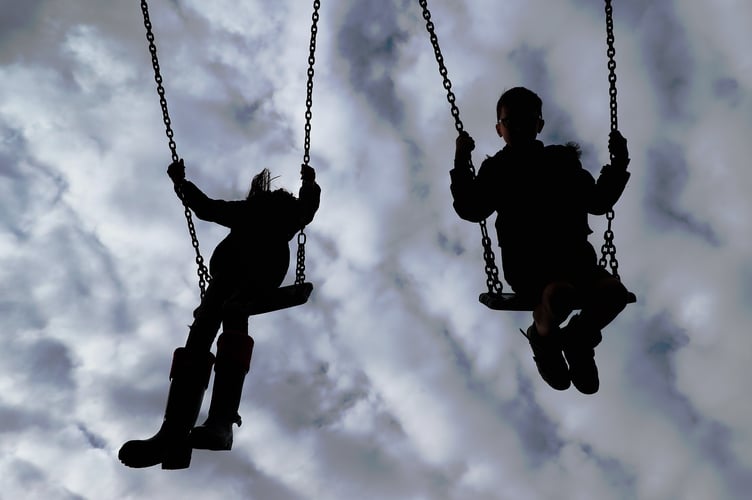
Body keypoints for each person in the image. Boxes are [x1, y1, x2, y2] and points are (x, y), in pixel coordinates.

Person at [119, 160, 321, 469]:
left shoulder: (270, 214)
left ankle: (218, 423)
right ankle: (175, 431)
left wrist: (309, 185)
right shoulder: (264, 212)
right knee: (202, 330)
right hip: (230, 279)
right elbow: (207, 208)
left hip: (256, 278)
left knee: (229, 314)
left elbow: (208, 208)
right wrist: (181, 183)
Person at [450, 86, 631, 394]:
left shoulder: (561, 161)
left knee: (615, 294)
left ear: (539, 124)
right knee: (559, 294)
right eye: (511, 121)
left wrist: (619, 163)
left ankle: (578, 339)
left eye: (527, 119)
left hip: (576, 259)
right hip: (528, 265)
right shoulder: (498, 169)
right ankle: (543, 338)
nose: (519, 127)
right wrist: (461, 159)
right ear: (499, 129)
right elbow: (471, 208)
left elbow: (597, 201)